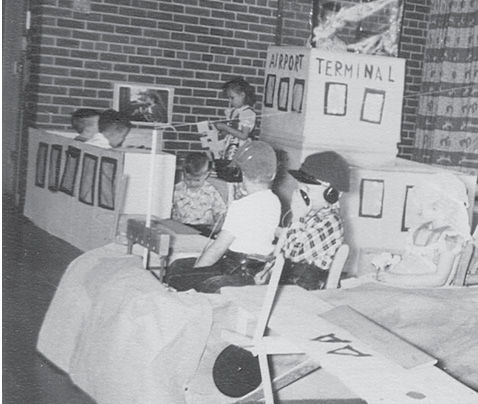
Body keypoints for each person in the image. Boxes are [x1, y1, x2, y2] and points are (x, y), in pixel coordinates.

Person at [166, 141, 281, 293]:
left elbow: (218, 249)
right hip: (256, 267)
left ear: (241, 173)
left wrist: (195, 271)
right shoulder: (275, 201)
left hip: (236, 267)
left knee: (177, 272)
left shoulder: (241, 206)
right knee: (181, 265)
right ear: (272, 174)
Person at [374, 172, 471, 288]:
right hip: (404, 284)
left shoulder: (450, 238)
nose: (419, 209)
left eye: (424, 205)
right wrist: (390, 269)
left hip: (426, 291)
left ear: (441, 208)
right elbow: (407, 260)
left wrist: (396, 279)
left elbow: (439, 279)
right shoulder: (418, 230)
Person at [270, 151, 350, 290]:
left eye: (308, 189)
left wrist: (297, 218)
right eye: (299, 187)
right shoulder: (310, 214)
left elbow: (294, 255)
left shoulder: (330, 222)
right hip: (287, 283)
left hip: (303, 290)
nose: (301, 194)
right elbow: (283, 251)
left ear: (332, 194)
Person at [213, 78, 257, 180]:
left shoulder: (247, 113)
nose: (230, 101)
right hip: (231, 144)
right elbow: (232, 130)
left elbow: (243, 135)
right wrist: (221, 131)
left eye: (232, 98)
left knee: (235, 171)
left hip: (240, 146)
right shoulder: (234, 111)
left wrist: (226, 127)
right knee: (225, 168)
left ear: (242, 95)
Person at [171, 152, 227, 232]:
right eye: (188, 179)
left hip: (204, 228)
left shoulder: (211, 191)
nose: (192, 183)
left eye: (197, 180)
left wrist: (217, 227)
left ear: (206, 174)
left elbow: (220, 213)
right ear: (183, 172)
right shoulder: (176, 189)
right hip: (180, 228)